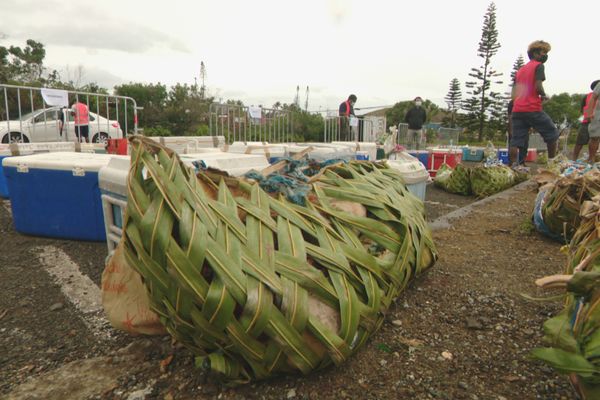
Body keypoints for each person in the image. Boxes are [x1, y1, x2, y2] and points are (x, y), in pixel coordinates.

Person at [509, 40, 558, 166]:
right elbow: (537, 85)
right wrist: (543, 95)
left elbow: (514, 93)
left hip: (517, 110)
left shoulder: (520, 70)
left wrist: (518, 103)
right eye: (544, 52)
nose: (545, 55)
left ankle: (515, 165)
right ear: (535, 53)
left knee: (517, 140)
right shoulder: (538, 66)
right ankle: (552, 162)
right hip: (532, 108)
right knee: (552, 133)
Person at [572, 80, 600, 160]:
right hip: (588, 121)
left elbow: (582, 109)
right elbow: (585, 108)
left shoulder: (588, 96)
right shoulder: (590, 96)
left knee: (593, 140)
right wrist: (588, 115)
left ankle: (581, 158)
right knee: (582, 141)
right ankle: (575, 159)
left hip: (592, 120)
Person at [507, 100, 528, 165]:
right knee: (514, 145)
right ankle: (512, 163)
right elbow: (510, 116)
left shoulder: (526, 102)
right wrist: (511, 129)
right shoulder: (512, 102)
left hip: (524, 127)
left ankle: (521, 163)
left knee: (524, 146)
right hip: (515, 126)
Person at [586, 80, 600, 163]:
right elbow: (593, 97)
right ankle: (591, 159)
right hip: (598, 114)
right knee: (594, 137)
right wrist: (589, 113)